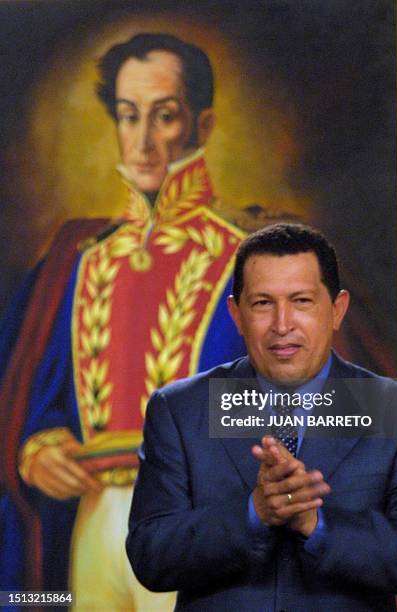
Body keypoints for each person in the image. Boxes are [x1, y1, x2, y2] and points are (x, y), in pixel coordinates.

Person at [0, 33, 253, 610]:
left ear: (203, 125)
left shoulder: (249, 259)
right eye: (127, 115)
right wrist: (39, 446)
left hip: (197, 519)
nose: (141, 141)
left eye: (163, 117)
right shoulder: (80, 261)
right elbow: (42, 398)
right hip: (94, 520)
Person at [127, 223, 397, 611]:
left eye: (301, 301)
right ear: (237, 313)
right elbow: (151, 556)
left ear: (337, 310)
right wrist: (253, 514)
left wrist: (317, 525)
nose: (282, 326)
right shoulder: (179, 409)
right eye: (263, 303)